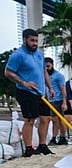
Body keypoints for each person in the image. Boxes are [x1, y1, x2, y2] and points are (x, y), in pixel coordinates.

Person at [4, 29, 55, 157]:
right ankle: (28, 148)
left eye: (36, 41)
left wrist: (50, 88)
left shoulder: (38, 54)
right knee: (30, 120)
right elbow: (8, 73)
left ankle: (42, 145)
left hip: (40, 93)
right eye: (32, 40)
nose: (34, 43)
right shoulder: (18, 55)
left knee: (46, 118)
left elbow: (44, 72)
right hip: (26, 92)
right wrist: (24, 83)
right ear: (25, 39)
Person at [45, 57, 68, 145]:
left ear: (52, 65)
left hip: (57, 100)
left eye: (48, 66)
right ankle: (58, 137)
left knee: (59, 120)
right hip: (49, 101)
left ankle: (59, 137)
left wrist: (64, 102)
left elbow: (63, 89)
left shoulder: (58, 76)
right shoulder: (45, 75)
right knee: (55, 120)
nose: (47, 68)